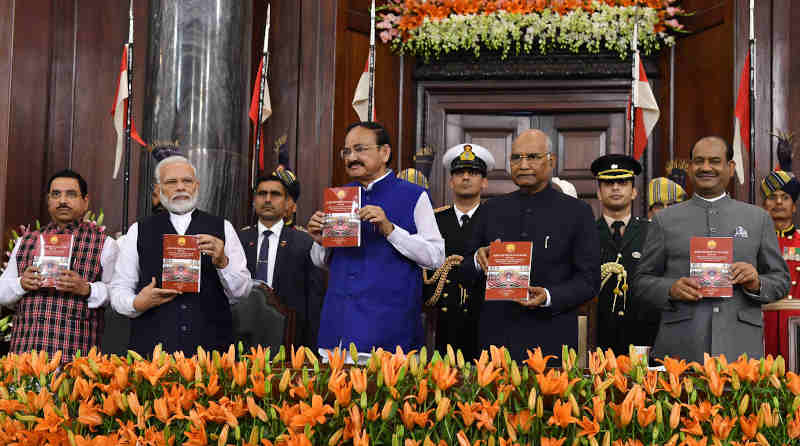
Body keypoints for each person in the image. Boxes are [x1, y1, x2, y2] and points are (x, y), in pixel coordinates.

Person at [633, 136, 790, 362]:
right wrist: (670, 289)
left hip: (740, 349)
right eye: (699, 161)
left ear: (730, 167)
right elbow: (641, 283)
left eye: (715, 161)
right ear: (690, 167)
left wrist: (756, 283)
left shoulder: (758, 219)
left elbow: (782, 281)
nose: (706, 167)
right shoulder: (665, 220)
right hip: (680, 348)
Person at [307, 121, 444, 360]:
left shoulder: (414, 195)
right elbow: (323, 263)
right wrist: (320, 242)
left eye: (360, 149)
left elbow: (435, 257)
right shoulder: (340, 196)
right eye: (347, 151)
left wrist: (391, 230)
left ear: (385, 152)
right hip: (338, 330)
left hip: (389, 335)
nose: (352, 157)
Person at [470, 129, 600, 361]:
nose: (523, 164)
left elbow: (589, 281)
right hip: (496, 342)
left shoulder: (577, 212)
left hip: (552, 339)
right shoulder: (491, 210)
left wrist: (549, 296)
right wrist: (478, 260)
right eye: (516, 158)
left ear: (551, 161)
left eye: (532, 157)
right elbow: (461, 271)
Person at [110, 155, 251, 355]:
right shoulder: (139, 230)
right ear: (159, 190)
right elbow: (118, 289)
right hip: (153, 349)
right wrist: (137, 303)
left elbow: (242, 291)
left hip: (210, 349)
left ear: (197, 186)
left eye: (187, 181)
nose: (180, 187)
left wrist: (222, 262)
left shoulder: (223, 227)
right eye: (171, 182)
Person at [0, 170, 119, 364]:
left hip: (76, 356)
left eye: (71, 194)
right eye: (56, 194)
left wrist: (87, 289)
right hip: (25, 355)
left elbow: (117, 296)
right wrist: (21, 283)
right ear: (48, 200)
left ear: (86, 201)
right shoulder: (26, 241)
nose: (62, 200)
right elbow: (2, 293)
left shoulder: (105, 244)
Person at [237, 168, 325, 348]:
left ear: (287, 204)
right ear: (254, 202)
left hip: (290, 338)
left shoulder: (305, 243)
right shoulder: (237, 240)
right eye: (262, 194)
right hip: (241, 334)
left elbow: (314, 301)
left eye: (275, 194)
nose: (268, 199)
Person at [424, 143, 495, 361]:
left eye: (473, 173)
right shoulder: (433, 220)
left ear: (484, 182)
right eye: (459, 173)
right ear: (450, 181)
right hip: (442, 321)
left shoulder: (497, 220)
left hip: (485, 319)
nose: (466, 177)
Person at [590, 154, 655, 352]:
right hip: (598, 335)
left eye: (623, 182)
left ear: (634, 191)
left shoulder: (651, 232)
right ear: (599, 193)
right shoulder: (586, 232)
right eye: (609, 183)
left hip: (642, 334)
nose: (616, 188)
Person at [761, 168, 800, 299]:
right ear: (764, 206)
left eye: (785, 197)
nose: (778, 202)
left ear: (794, 207)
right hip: (763, 317)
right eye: (772, 197)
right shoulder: (755, 242)